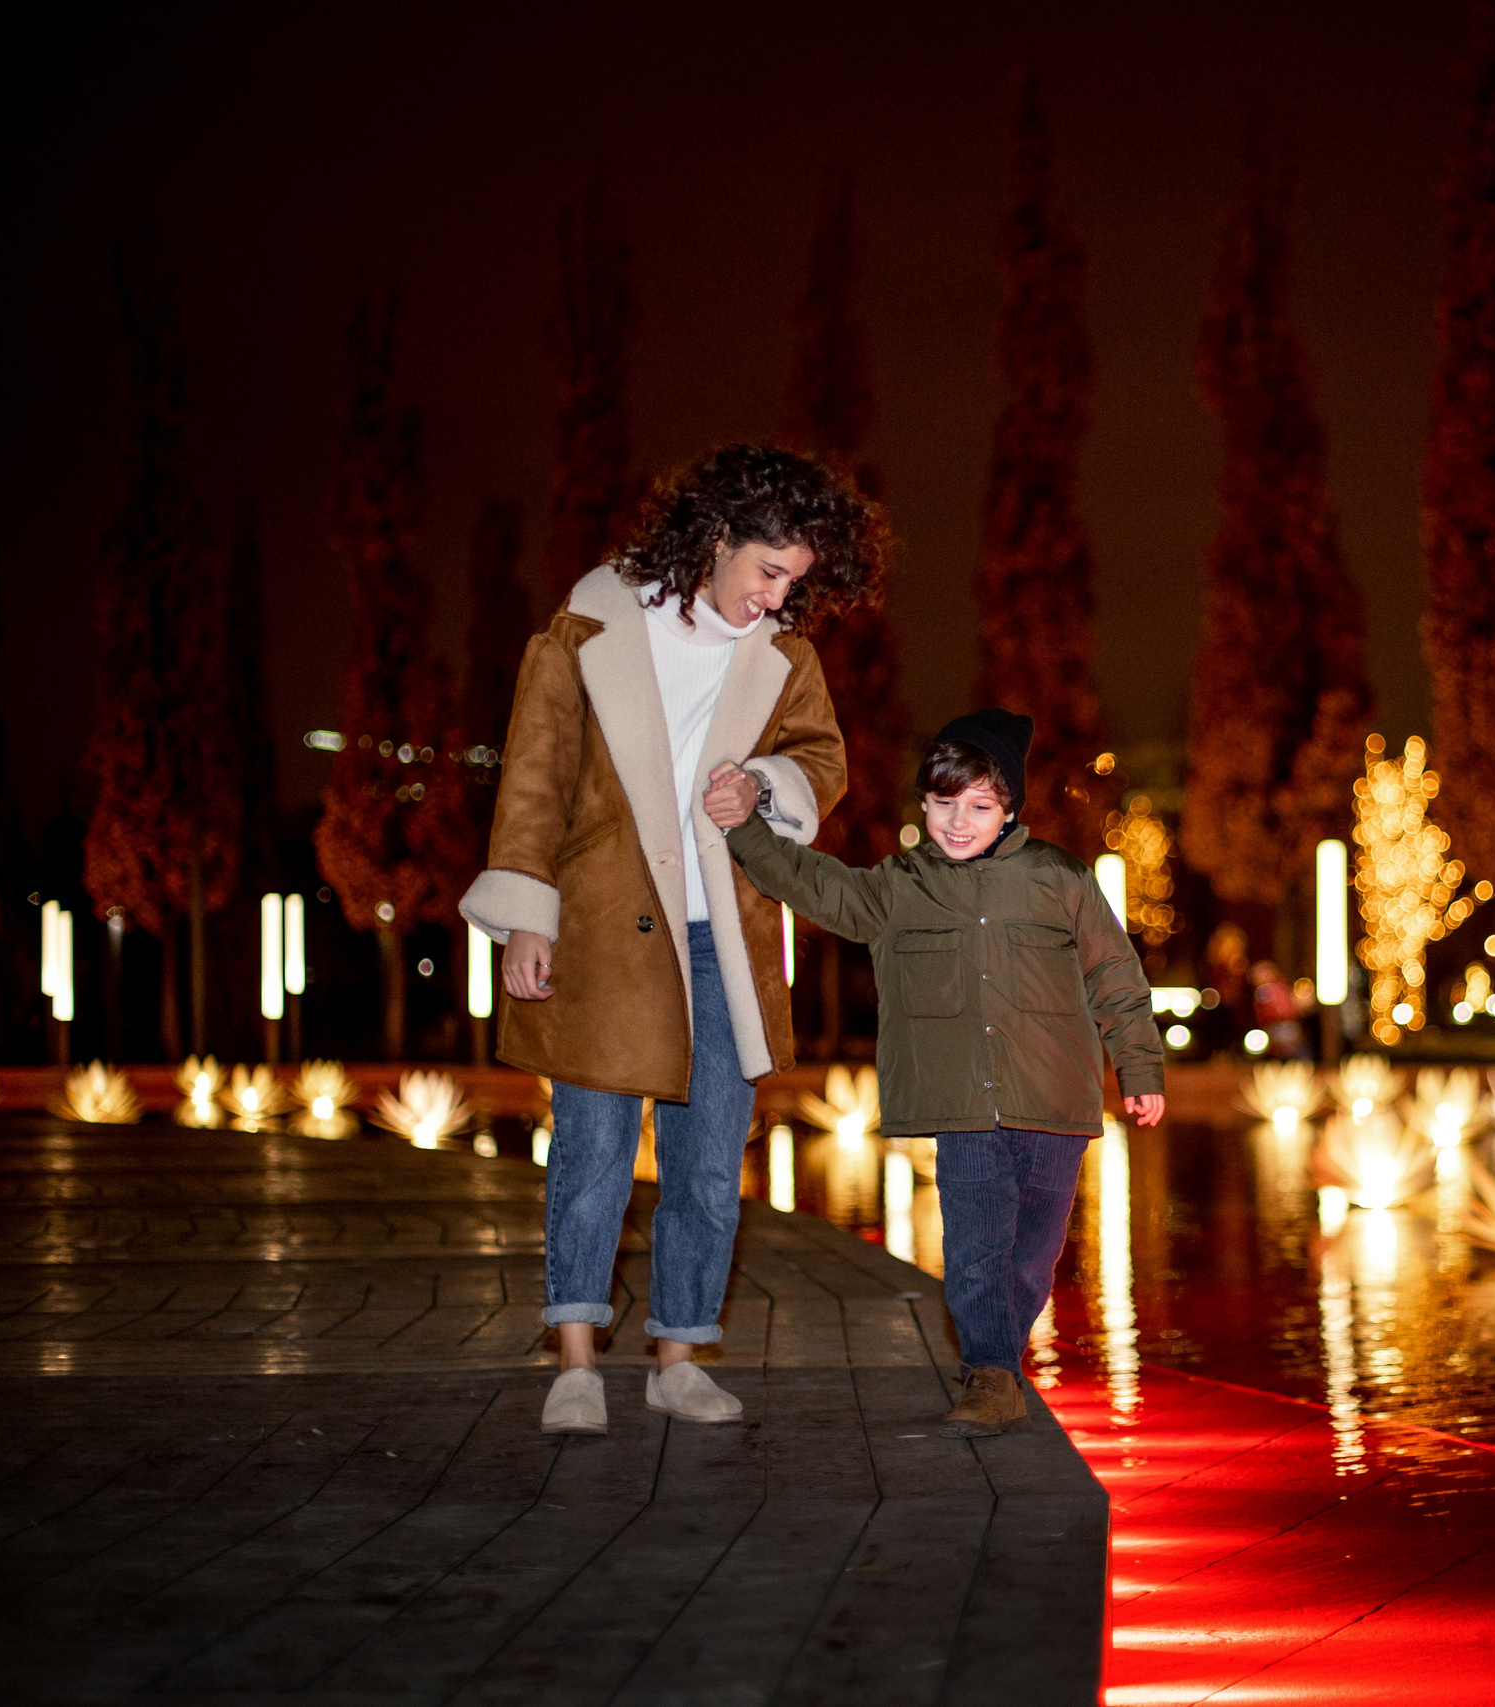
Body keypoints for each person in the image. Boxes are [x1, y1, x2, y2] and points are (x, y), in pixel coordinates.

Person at [461, 444, 884, 1437]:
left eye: (796, 583)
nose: (775, 597)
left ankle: (679, 1354)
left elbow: (821, 762)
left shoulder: (783, 658)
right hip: (607, 927)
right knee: (594, 1150)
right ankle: (574, 1358)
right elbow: (534, 773)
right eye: (767, 572)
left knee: (705, 1162)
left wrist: (766, 786)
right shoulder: (591, 628)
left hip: (722, 936)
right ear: (721, 538)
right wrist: (530, 909)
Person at [703, 709, 1164, 1436]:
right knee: (976, 1248)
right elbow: (817, 885)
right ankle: (990, 1373)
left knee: (1034, 1257)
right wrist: (746, 829)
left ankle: (997, 1359)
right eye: (944, 804)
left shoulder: (1060, 879)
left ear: (1008, 808)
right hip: (962, 1108)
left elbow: (1115, 975)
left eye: (980, 805)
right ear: (923, 805)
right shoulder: (901, 885)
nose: (959, 821)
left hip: (1054, 1101)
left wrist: (1140, 1065)